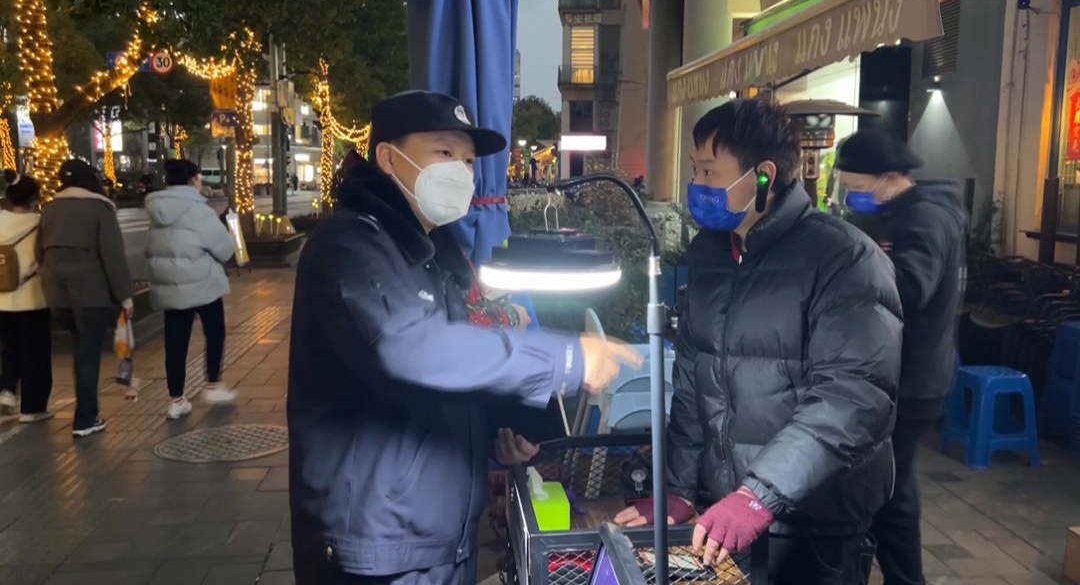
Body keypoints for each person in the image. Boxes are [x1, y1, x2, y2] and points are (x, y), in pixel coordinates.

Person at [287, 90, 640, 585]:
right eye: (444, 152)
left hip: (438, 540)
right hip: (377, 550)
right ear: (388, 157)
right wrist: (564, 358)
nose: (461, 170)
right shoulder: (351, 246)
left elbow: (442, 377)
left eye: (469, 160)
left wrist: (496, 434)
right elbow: (411, 347)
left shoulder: (431, 251)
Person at [614, 99, 902, 585]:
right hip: (728, 515)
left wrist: (760, 495)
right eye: (694, 170)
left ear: (764, 176)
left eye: (709, 171)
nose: (696, 185)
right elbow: (692, 384)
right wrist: (678, 490)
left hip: (815, 525)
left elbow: (853, 397)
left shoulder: (844, 260)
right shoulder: (710, 254)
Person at [836, 129, 966, 585]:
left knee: (890, 488)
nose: (852, 196)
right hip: (893, 372)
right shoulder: (893, 211)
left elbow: (908, 289)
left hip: (913, 378)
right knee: (889, 486)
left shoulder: (928, 217)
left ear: (890, 176)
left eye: (856, 186)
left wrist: (852, 277)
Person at [38, 159, 134, 439]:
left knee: (80, 352)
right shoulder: (100, 209)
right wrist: (125, 297)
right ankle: (84, 418)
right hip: (92, 295)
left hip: (58, 294)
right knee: (88, 355)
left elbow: (38, 253)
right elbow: (113, 256)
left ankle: (87, 414)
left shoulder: (49, 209)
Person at [146, 159, 237, 420]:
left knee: (175, 343)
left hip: (170, 285)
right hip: (202, 281)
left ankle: (176, 399)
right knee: (215, 331)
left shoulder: (156, 209)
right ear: (192, 180)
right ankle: (212, 385)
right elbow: (225, 249)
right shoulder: (199, 211)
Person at [0, 173, 53, 422]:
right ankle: (32, 408)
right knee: (34, 352)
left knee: (9, 347)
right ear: (33, 198)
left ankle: (7, 391)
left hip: (2, 298)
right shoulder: (38, 224)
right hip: (31, 297)